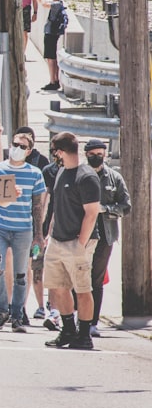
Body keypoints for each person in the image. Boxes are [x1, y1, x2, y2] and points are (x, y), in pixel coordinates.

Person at [43, 132, 101, 350]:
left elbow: (92, 213)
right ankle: (68, 331)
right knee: (58, 287)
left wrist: (81, 244)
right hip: (57, 239)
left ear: (60, 151)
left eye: (54, 151)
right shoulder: (61, 172)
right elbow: (57, 207)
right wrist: (49, 233)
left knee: (83, 289)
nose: (54, 156)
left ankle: (84, 335)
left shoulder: (86, 177)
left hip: (78, 241)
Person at [0, 130, 48, 332]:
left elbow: (37, 206)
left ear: (29, 150)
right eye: (15, 144)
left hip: (23, 229)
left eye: (22, 146)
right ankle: (1, 310)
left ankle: (17, 314)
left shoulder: (35, 173)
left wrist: (39, 235)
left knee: (21, 274)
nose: (17, 149)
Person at [81, 139, 130, 337]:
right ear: (86, 155)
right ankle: (77, 317)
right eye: (92, 154)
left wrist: (105, 210)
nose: (96, 157)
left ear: (105, 154)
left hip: (105, 236)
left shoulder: (114, 178)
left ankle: (92, 322)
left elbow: (125, 206)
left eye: (99, 153)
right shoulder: (80, 175)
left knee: (96, 280)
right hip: (82, 234)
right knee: (79, 277)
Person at [42, 0, 67, 91]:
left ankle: (53, 81)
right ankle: (55, 80)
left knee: (50, 58)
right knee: (52, 57)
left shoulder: (57, 4)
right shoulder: (61, 4)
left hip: (51, 33)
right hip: (54, 33)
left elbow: (43, 4)